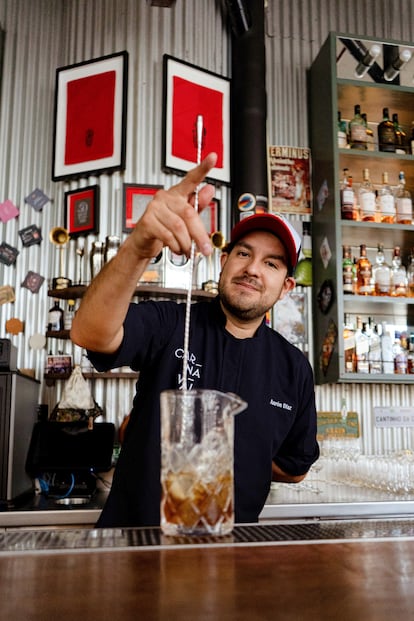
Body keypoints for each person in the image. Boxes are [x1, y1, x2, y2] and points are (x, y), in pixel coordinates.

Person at [71, 152, 319, 528]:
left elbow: (295, 467)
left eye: (271, 263)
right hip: (131, 548)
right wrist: (140, 245)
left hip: (227, 559)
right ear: (224, 261)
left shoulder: (293, 367)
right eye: (243, 253)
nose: (252, 269)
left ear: (286, 287)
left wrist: (232, 461)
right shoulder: (172, 322)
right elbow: (89, 333)